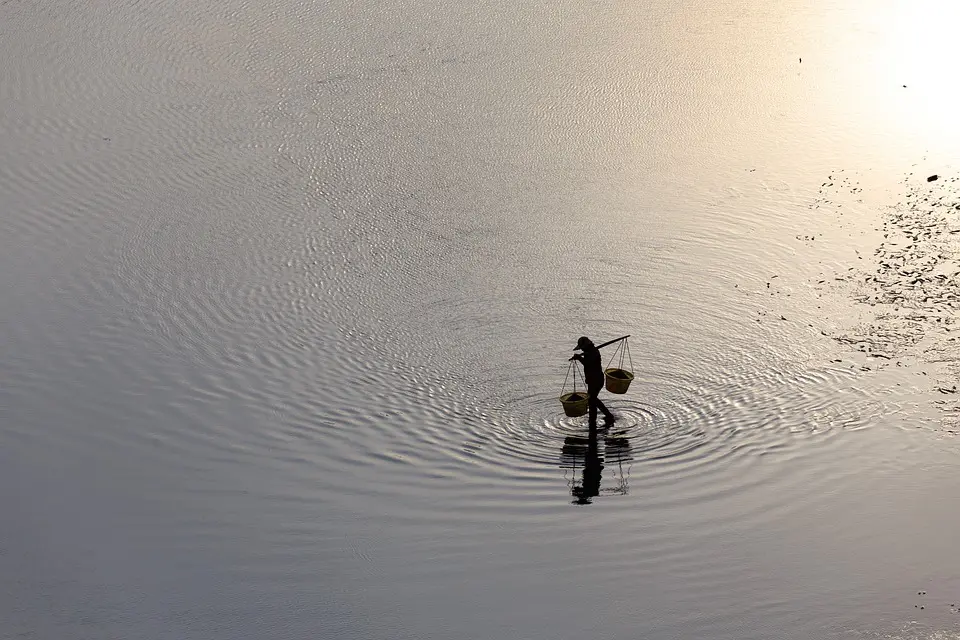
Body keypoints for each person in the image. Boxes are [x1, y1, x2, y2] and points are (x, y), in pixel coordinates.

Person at [569, 336, 615, 424]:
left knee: (592, 399)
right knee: (592, 400)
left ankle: (604, 416)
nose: (581, 350)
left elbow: (587, 363)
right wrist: (579, 357)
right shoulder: (588, 352)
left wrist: (579, 358)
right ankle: (595, 419)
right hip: (592, 380)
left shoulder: (594, 353)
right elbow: (586, 361)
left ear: (586, 346)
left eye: (582, 348)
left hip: (597, 380)